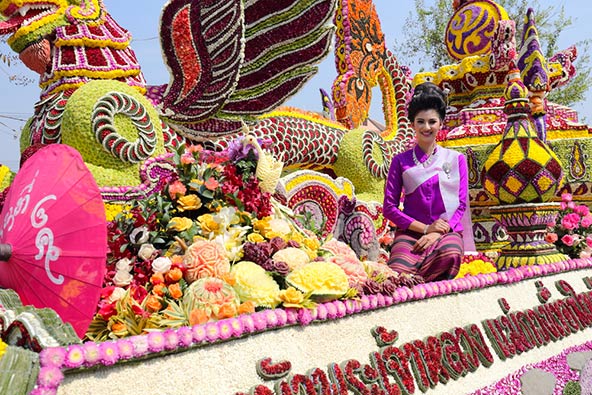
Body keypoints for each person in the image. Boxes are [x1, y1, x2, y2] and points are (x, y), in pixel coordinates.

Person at [383, 82, 469, 282]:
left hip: (445, 232)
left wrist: (437, 233)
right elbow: (389, 208)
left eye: (432, 121)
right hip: (411, 232)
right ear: (412, 124)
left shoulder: (456, 159)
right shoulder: (400, 161)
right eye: (420, 121)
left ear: (441, 123)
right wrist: (425, 229)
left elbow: (461, 204)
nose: (426, 127)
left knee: (451, 254)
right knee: (398, 273)